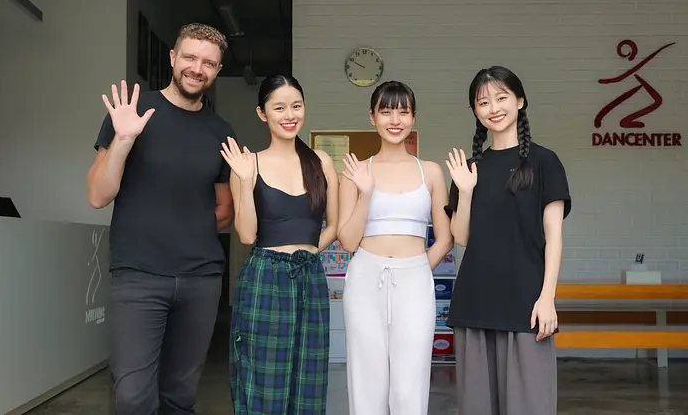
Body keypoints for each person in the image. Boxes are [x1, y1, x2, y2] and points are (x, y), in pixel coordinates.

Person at [86, 23, 236, 415]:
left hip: (201, 280)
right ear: (172, 58)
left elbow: (225, 210)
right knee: (133, 397)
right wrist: (124, 139)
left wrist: (185, 230)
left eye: (208, 63)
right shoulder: (131, 114)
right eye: (189, 57)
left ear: (217, 70)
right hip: (137, 276)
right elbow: (98, 195)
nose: (197, 68)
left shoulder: (221, 132)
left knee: (179, 397)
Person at [444, 65, 571, 415]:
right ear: (475, 110)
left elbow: (554, 238)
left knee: (530, 405)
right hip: (476, 302)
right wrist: (465, 191)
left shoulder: (545, 162)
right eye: (483, 102)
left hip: (526, 304)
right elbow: (461, 237)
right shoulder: (469, 168)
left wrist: (547, 298)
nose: (493, 108)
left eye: (501, 98)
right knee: (477, 407)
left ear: (520, 101)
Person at [221, 75, 339, 415]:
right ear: (263, 113)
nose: (290, 115)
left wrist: (308, 253)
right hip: (265, 278)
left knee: (308, 378)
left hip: (310, 277)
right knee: (263, 377)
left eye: (296, 106)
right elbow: (246, 235)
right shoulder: (248, 164)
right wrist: (245, 182)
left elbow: (334, 226)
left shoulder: (321, 162)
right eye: (279, 108)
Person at [337, 80, 453, 415]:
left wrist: (417, 267)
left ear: (413, 118)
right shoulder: (356, 172)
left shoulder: (431, 172)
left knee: (410, 382)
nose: (395, 120)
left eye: (403, 112)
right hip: (365, 277)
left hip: (415, 277)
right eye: (386, 111)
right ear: (372, 117)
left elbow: (445, 238)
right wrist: (366, 193)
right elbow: (347, 241)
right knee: (367, 379)